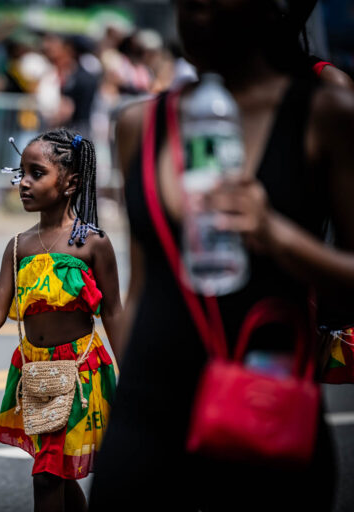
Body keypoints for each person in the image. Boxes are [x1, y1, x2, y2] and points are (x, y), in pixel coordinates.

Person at [89, 0, 354, 510]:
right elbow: (141, 288)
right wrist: (122, 407)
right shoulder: (139, 125)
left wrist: (276, 233)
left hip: (263, 402)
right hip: (149, 409)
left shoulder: (324, 113)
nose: (197, 14)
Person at [0, 129, 122, 512]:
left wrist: (135, 380)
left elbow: (114, 314)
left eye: (36, 173)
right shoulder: (19, 245)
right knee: (55, 473)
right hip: (34, 374)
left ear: (71, 182)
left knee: (46, 476)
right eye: (20, 173)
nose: (23, 183)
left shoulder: (93, 243)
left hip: (80, 373)